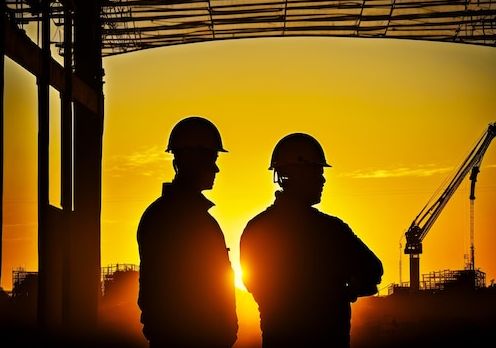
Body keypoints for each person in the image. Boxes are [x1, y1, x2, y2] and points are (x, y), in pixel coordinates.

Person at [239, 133, 383, 348]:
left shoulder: (256, 229)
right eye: (318, 172)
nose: (323, 179)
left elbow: (252, 284)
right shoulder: (332, 231)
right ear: (299, 174)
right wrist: (346, 289)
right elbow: (373, 270)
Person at [137, 116, 238, 348]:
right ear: (191, 159)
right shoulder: (184, 221)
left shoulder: (160, 216)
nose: (216, 168)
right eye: (211, 159)